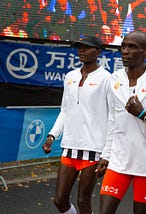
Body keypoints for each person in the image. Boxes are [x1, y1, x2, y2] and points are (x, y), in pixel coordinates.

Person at [96, 30, 146, 214]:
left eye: (132, 47)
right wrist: (106, 155)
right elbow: (112, 120)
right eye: (123, 46)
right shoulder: (114, 79)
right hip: (117, 161)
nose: (125, 51)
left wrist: (145, 115)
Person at [42, 36, 110, 214]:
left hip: (93, 148)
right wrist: (52, 135)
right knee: (59, 200)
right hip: (69, 146)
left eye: (87, 48)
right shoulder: (70, 76)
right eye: (80, 47)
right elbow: (65, 109)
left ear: (98, 52)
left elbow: (113, 118)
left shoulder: (107, 79)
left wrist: (108, 152)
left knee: (83, 200)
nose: (82, 50)